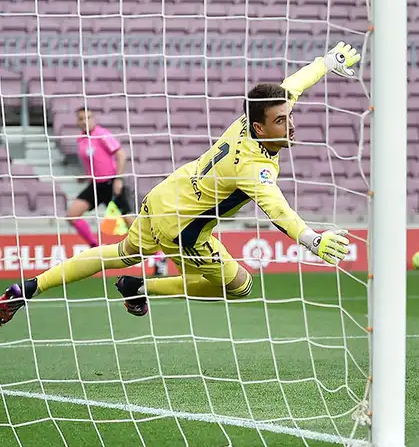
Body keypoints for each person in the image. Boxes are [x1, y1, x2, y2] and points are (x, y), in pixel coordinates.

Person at [0, 42, 361, 324]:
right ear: (260, 128)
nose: (290, 124)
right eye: (282, 121)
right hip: (184, 229)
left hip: (164, 195)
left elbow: (292, 85)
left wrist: (326, 64)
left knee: (121, 252)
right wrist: (312, 239)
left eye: (289, 116)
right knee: (239, 286)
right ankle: (140, 286)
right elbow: (277, 210)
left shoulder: (256, 113)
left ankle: (28, 288)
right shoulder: (253, 168)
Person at [72, 108, 167, 277]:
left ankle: (159, 257)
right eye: (81, 118)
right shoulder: (80, 139)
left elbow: (121, 155)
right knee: (72, 214)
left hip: (111, 183)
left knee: (131, 223)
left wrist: (118, 179)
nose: (85, 120)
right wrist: (86, 176)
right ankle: (95, 247)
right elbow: (94, 162)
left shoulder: (101, 134)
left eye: (88, 117)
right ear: (78, 122)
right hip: (95, 185)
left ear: (93, 118)